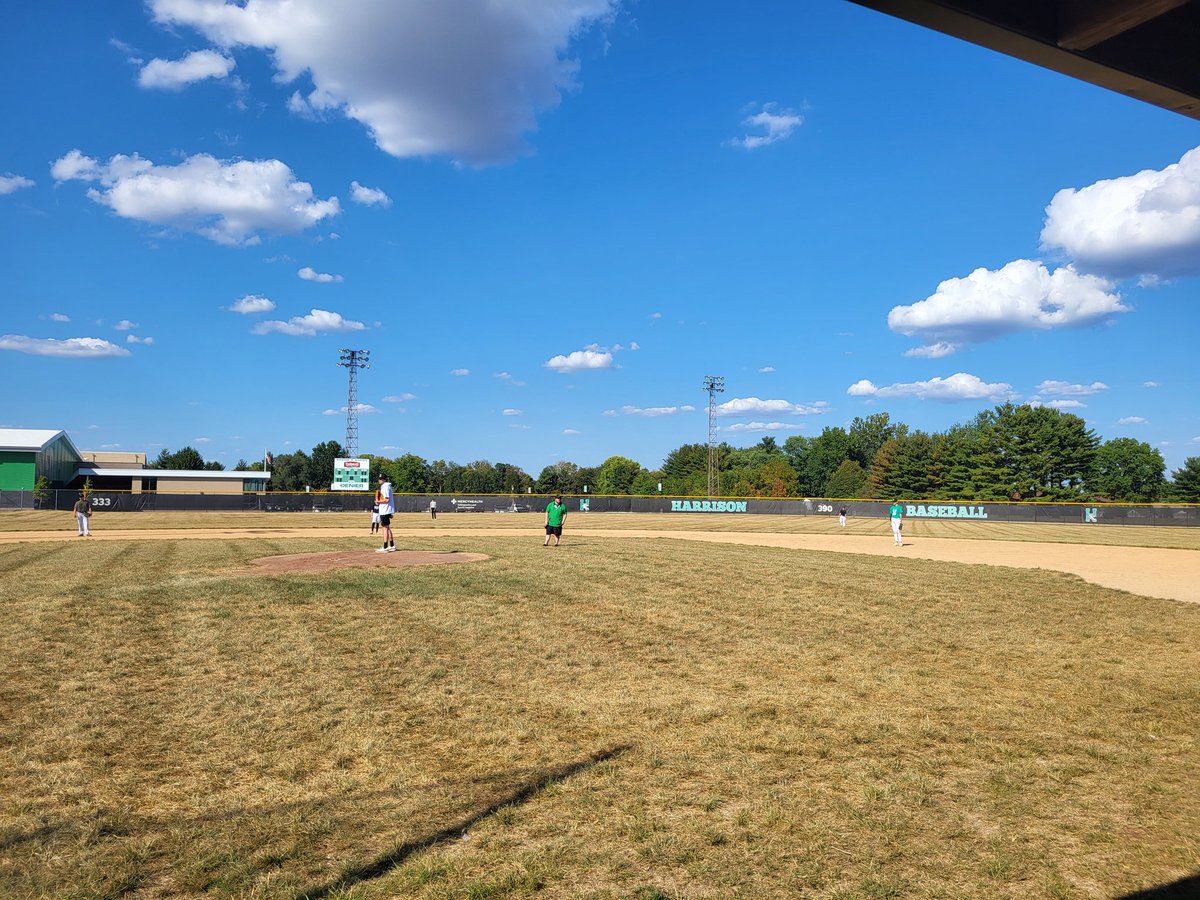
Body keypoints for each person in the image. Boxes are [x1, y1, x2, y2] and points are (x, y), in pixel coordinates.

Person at [375, 473, 395, 552]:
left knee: (385, 528)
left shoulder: (385, 487)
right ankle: (392, 545)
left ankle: (385, 546)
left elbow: (387, 500)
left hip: (385, 510)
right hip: (386, 510)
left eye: (381, 479)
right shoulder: (386, 486)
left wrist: (378, 501)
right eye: (379, 478)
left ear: (385, 480)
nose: (380, 480)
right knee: (387, 527)